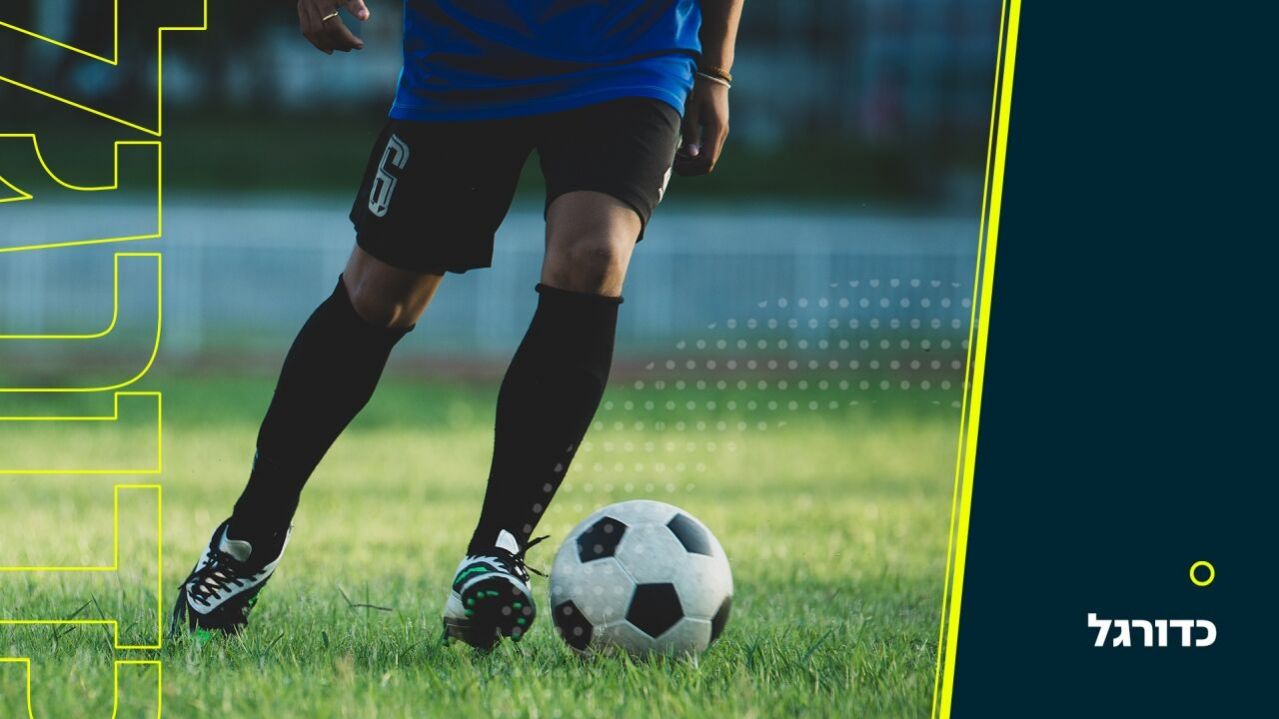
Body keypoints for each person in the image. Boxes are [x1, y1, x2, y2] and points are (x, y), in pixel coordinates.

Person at [171, 0, 743, 649]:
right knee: (380, 294)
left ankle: (496, 549)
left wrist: (716, 71)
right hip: (469, 45)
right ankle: (249, 538)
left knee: (594, 255)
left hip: (630, 45)